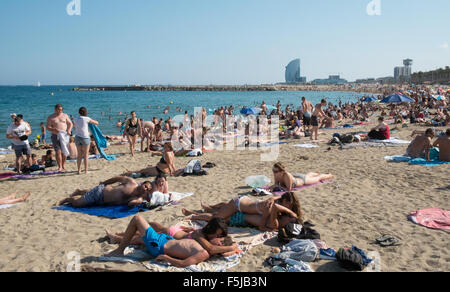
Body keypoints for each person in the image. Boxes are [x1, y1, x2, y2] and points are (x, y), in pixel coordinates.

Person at [103, 215, 237, 267]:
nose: (216, 238)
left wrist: (166, 257)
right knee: (142, 235)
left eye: (219, 239)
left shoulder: (205, 251)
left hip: (161, 245)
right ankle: (117, 238)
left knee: (137, 219)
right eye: (218, 236)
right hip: (167, 240)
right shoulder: (202, 238)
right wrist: (232, 247)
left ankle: (119, 250)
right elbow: (216, 248)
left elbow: (185, 263)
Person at [182, 192, 302, 231]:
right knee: (217, 217)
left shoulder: (275, 205)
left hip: (242, 204)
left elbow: (277, 199)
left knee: (220, 212)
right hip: (238, 204)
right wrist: (292, 214)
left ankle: (204, 210)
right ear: (285, 202)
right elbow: (275, 206)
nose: (289, 209)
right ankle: (194, 215)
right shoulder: (272, 206)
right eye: (288, 206)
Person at [58, 177, 152, 208]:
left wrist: (140, 200)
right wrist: (104, 182)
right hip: (101, 192)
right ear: (142, 184)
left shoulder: (138, 198)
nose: (145, 189)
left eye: (147, 190)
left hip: (102, 202)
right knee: (76, 203)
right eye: (145, 186)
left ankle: (80, 191)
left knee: (88, 193)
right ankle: (66, 199)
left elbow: (130, 204)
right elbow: (117, 178)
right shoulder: (131, 182)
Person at [46, 104, 73, 171]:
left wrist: (69, 130)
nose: (60, 111)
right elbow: (48, 127)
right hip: (55, 135)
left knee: (64, 151)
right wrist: (54, 129)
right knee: (58, 151)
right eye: (59, 109)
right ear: (55, 109)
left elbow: (70, 123)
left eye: (61, 109)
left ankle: (63, 165)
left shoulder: (65, 115)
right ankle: (60, 166)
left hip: (65, 135)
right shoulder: (51, 117)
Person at [73, 107, 99, 174]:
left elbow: (74, 127)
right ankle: (86, 170)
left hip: (77, 137)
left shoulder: (75, 119)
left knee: (79, 154)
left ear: (79, 112)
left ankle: (78, 170)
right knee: (85, 155)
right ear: (86, 112)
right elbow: (97, 123)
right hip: (85, 137)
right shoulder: (87, 118)